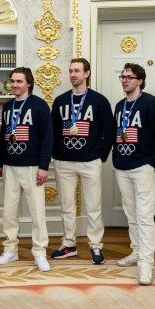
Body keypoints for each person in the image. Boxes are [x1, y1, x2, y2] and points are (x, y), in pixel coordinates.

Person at [111, 64, 155, 285]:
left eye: (129, 77)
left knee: (145, 216)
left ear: (140, 80)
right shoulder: (119, 106)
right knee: (131, 214)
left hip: (143, 167)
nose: (124, 80)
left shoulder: (151, 103)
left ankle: (146, 264)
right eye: (122, 76)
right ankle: (136, 251)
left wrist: (153, 164)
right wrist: (115, 159)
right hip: (122, 167)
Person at [51, 58, 115, 263]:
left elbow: (110, 131)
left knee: (93, 206)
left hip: (90, 161)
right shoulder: (60, 101)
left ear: (87, 73)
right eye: (70, 71)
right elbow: (52, 132)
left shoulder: (99, 101)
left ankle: (96, 246)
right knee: (66, 206)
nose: (73, 74)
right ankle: (69, 244)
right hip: (64, 161)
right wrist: (55, 154)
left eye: (77, 71)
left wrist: (100, 156)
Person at [0, 68, 54, 271]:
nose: (15, 85)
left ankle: (39, 252)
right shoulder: (9, 106)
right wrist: (0, 162)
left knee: (37, 212)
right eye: (12, 81)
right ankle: (10, 249)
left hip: (32, 166)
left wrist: (44, 166)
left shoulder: (39, 106)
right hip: (10, 166)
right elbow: (3, 135)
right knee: (9, 212)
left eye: (19, 81)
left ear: (29, 83)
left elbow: (48, 137)